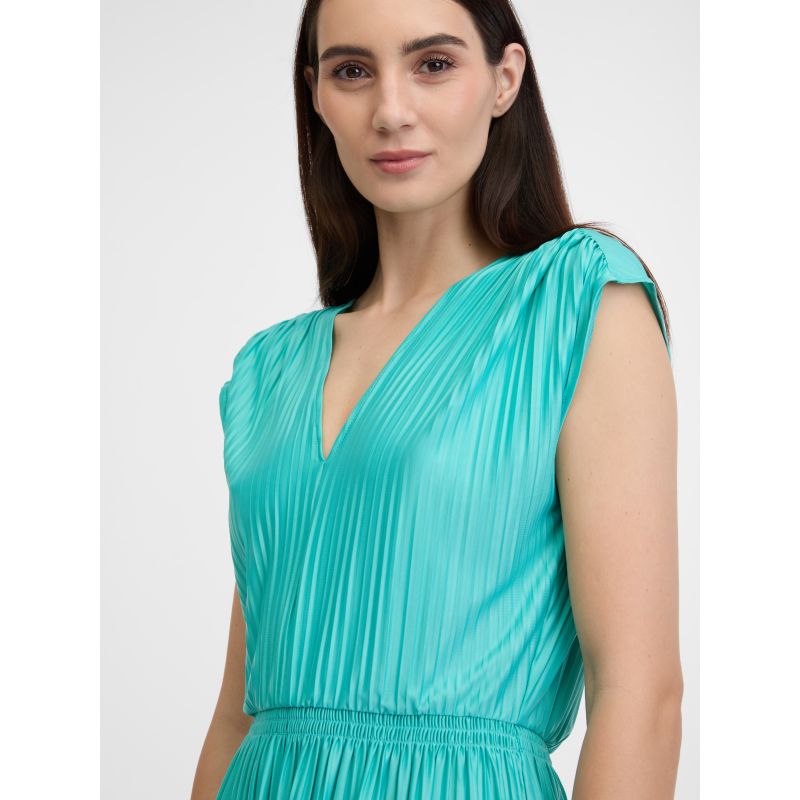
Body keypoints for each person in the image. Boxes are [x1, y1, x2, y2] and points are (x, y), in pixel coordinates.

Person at [192, 0, 683, 798]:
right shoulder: (270, 368)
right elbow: (236, 718)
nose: (391, 110)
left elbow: (640, 697)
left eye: (433, 64)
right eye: (353, 71)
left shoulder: (577, 301)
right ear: (316, 95)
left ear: (504, 79)